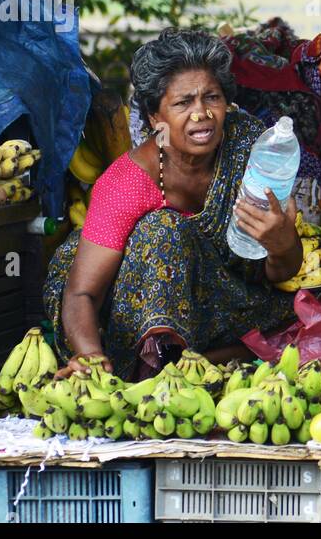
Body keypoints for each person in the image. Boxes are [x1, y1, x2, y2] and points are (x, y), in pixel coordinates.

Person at [43, 29, 303, 379]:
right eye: (183, 103)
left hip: (221, 301)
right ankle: (159, 368)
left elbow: (278, 271)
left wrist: (282, 244)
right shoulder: (127, 182)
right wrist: (90, 354)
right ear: (154, 117)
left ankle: (204, 358)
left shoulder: (251, 149)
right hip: (124, 312)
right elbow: (82, 293)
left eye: (211, 98)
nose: (201, 114)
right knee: (163, 230)